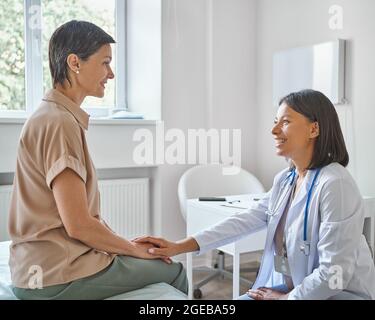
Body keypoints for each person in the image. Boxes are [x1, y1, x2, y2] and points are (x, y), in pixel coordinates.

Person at [135, 89, 375, 300]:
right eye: (275, 121)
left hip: (338, 295)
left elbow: (335, 274)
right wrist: (180, 246)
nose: (274, 130)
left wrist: (285, 299)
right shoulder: (286, 179)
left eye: (285, 122)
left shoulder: (335, 184)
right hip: (299, 289)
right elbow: (245, 220)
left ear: (314, 129)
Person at [8, 20, 187, 300]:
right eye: (105, 63)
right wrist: (133, 250)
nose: (111, 74)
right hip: (56, 275)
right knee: (174, 271)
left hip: (36, 269)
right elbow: (78, 224)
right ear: (75, 63)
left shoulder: (50, 116)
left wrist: (122, 244)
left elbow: (78, 219)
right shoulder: (60, 123)